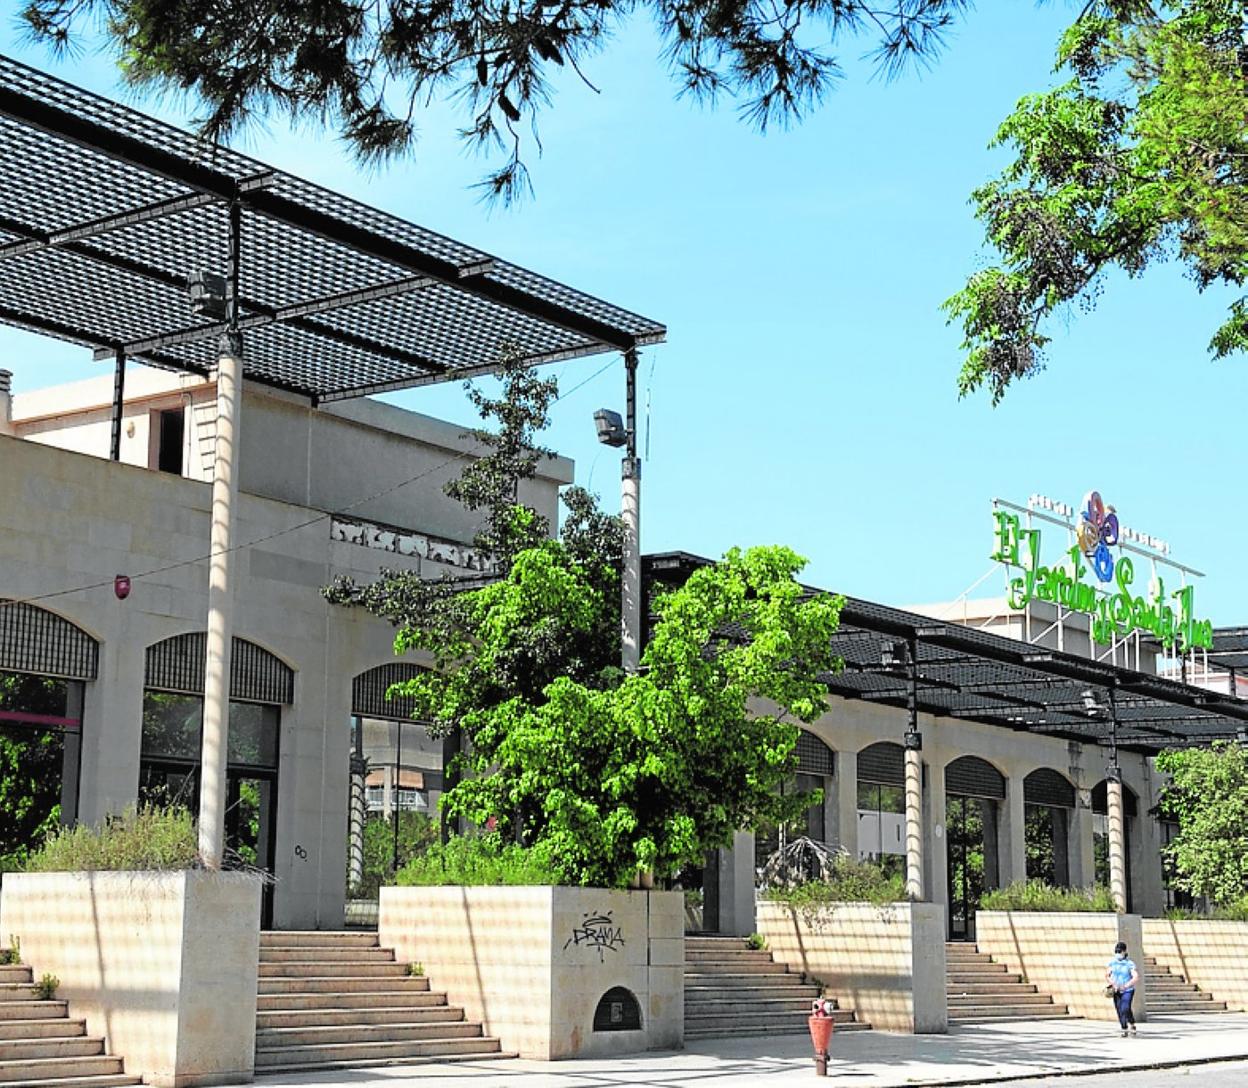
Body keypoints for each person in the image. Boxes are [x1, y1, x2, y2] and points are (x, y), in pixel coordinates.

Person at [1105, 940, 1139, 1037]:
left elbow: (1135, 976)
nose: (1118, 954)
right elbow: (1107, 975)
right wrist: (1113, 983)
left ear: (1124, 951)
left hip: (1127, 990)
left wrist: (1127, 985)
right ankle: (1124, 1028)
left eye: (1120, 952)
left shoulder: (1129, 963)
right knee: (1119, 1009)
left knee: (1125, 1008)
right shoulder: (1112, 963)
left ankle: (1131, 1023)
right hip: (1116, 990)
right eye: (1117, 952)